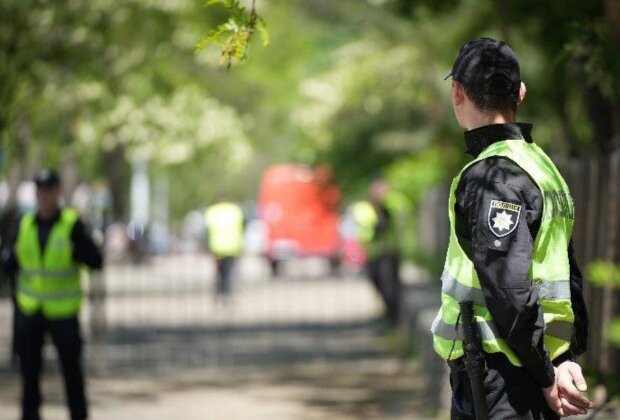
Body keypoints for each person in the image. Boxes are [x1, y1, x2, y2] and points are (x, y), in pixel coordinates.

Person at [430, 38, 593, 419]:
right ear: (520, 93)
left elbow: (510, 290)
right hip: (536, 367)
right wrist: (563, 359)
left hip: (502, 376)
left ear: (457, 92)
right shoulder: (542, 166)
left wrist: (545, 376)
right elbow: (566, 273)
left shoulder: (493, 176)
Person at [1, 169, 103, 420]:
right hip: (30, 310)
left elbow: (95, 260)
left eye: (48, 189)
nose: (44, 195)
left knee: (72, 375)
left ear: (58, 192)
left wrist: (77, 250)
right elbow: (9, 263)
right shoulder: (24, 224)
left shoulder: (71, 224)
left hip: (63, 313)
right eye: (40, 190)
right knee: (29, 377)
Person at [353, 178, 401, 326]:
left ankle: (393, 315)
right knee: (377, 282)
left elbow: (402, 212)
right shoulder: (365, 208)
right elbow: (363, 229)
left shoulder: (393, 204)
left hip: (391, 252)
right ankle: (389, 313)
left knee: (392, 286)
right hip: (374, 253)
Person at [204, 199, 244, 301]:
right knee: (229, 272)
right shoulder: (235, 210)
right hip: (233, 247)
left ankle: (218, 293)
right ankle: (227, 293)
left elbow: (207, 230)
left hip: (217, 247)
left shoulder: (213, 211)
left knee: (219, 272)